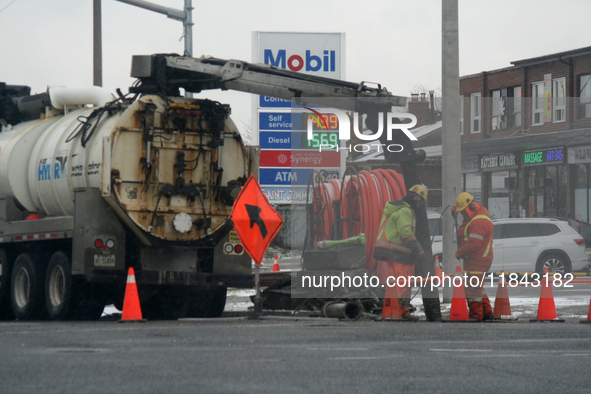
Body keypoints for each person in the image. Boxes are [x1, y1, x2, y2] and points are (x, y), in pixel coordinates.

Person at [374, 184, 428, 319]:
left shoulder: (397, 208)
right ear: (416, 198)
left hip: (393, 252)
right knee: (403, 283)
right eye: (420, 201)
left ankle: (394, 311)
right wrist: (418, 249)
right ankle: (401, 312)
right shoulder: (405, 211)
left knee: (395, 282)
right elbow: (405, 232)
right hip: (400, 253)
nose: (420, 205)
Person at [452, 192, 495, 322]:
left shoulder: (478, 222)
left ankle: (476, 316)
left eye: (463, 211)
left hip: (478, 259)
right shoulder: (476, 215)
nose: (462, 214)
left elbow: (474, 244)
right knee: (477, 288)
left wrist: (459, 252)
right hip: (476, 259)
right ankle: (486, 312)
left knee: (472, 289)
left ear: (470, 207)